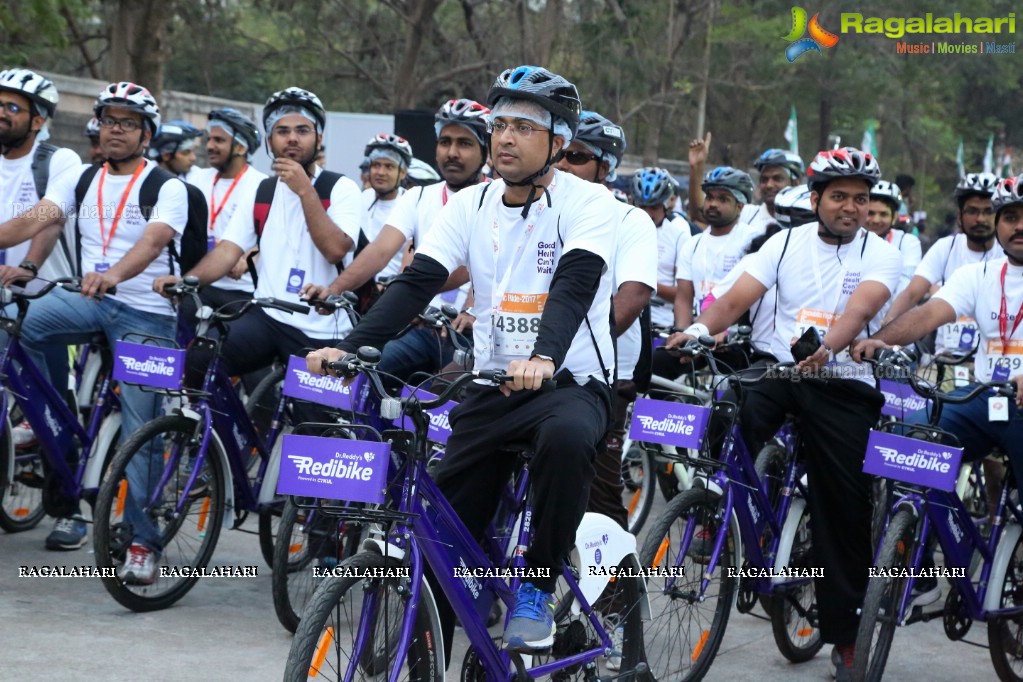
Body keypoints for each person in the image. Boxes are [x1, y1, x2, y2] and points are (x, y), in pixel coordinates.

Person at [307, 65, 618, 659]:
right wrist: (348, 349)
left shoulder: (590, 201)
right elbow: (417, 281)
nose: (504, 138)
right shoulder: (469, 203)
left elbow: (575, 284)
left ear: (558, 142)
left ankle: (537, 584)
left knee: (569, 439)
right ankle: (430, 644)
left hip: (568, 381)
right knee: (443, 535)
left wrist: (545, 355)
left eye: (524, 127)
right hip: (491, 385)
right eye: (499, 124)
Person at [667, 147, 901, 681]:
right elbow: (734, 300)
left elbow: (861, 308)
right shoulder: (784, 241)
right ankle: (716, 515)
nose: (851, 208)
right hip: (780, 373)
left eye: (860, 200)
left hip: (843, 383)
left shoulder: (881, 253)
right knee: (727, 406)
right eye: (839, 197)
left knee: (841, 505)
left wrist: (830, 349)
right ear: (815, 199)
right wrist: (699, 330)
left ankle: (844, 633)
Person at [0, 82, 188, 560]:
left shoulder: (166, 185)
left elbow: (153, 241)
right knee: (21, 326)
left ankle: (143, 541)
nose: (116, 130)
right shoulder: (83, 178)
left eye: (128, 122)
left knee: (140, 430)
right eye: (109, 120)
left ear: (147, 134)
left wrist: (114, 275)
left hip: (147, 313)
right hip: (90, 300)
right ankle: (52, 415)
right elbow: (36, 217)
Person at [852, 173, 1023, 607]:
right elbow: (928, 315)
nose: (1019, 226)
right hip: (987, 399)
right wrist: (883, 340)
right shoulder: (978, 273)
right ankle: (927, 566)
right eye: (1011, 217)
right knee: (905, 443)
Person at [154, 86, 360, 411]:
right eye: (282, 131)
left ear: (318, 138)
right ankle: (228, 449)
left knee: (311, 428)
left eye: (302, 130)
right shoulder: (261, 190)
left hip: (319, 330)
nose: (292, 138)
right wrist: (187, 280)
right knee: (200, 360)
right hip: (268, 317)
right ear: (269, 140)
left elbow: (335, 249)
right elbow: (227, 251)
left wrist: (305, 190)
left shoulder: (341, 187)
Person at [303, 98, 488, 384]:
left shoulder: (497, 199)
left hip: (469, 336)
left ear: (485, 151)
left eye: (464, 143)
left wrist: (468, 309)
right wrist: (334, 290)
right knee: (365, 374)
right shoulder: (418, 197)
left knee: (440, 397)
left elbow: (475, 266)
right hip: (419, 327)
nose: (452, 152)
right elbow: (379, 251)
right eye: (445, 141)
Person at [553, 110, 656, 535]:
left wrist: (556, 343)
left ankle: (617, 597)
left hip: (607, 375)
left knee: (597, 498)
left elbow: (630, 299)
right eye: (559, 152)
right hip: (536, 366)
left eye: (576, 156)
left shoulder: (631, 220)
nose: (562, 164)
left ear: (606, 167)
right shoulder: (544, 210)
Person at [883, 172, 1000, 357]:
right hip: (946, 359)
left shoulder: (1009, 255)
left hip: (996, 362)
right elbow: (912, 294)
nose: (981, 219)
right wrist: (886, 327)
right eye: (972, 211)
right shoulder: (946, 248)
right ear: (959, 216)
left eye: (989, 211)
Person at [182, 108, 268, 317]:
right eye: (210, 139)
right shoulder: (196, 180)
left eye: (219, 140)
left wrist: (248, 260)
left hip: (243, 290)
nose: (209, 146)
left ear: (240, 147)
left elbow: (272, 238)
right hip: (200, 285)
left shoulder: (262, 186)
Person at [630, 166, 690, 330]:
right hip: (629, 317)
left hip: (661, 322)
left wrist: (644, 285)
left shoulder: (679, 232)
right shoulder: (624, 227)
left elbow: (685, 293)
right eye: (642, 206)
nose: (647, 213)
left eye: (654, 207)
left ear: (665, 205)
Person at [356, 134, 413, 284]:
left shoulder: (412, 205)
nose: (381, 172)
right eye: (376, 165)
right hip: (353, 290)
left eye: (389, 166)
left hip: (389, 293)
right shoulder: (359, 199)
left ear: (402, 173)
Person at [864, 180, 922, 301]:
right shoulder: (850, 239)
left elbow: (907, 283)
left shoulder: (907, 242)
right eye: (870, 213)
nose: (876, 220)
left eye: (883, 214)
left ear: (894, 217)